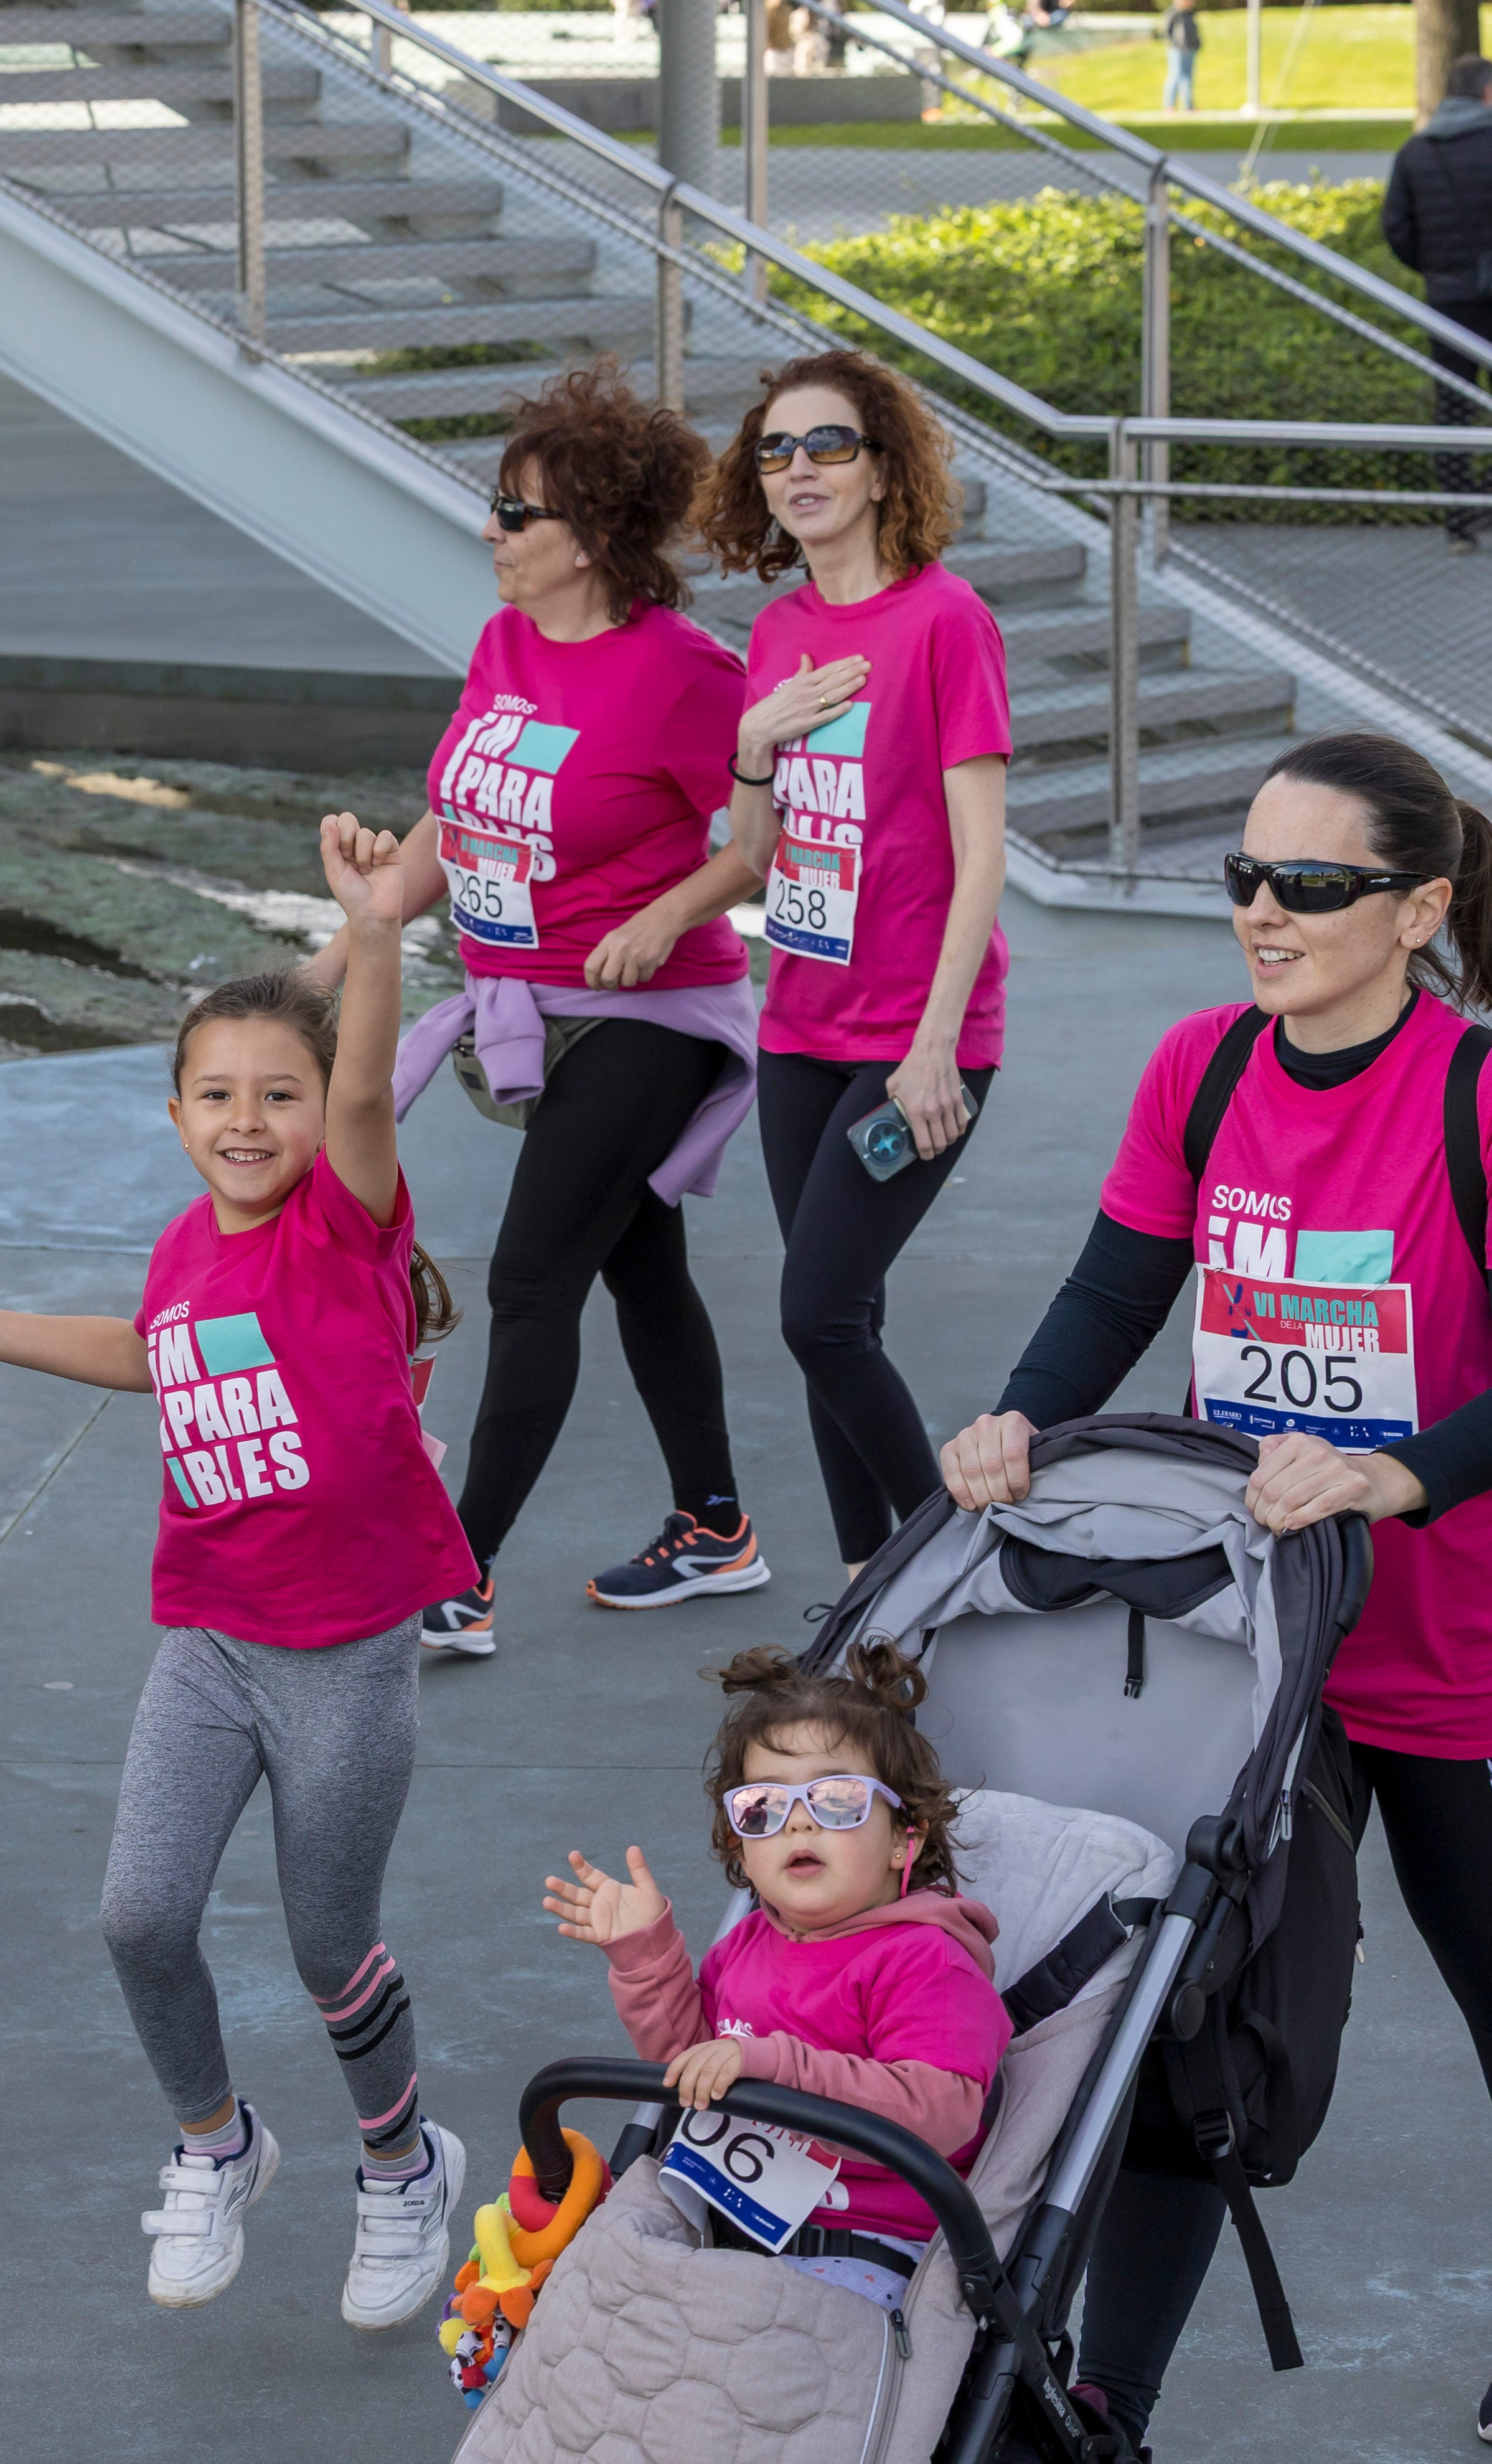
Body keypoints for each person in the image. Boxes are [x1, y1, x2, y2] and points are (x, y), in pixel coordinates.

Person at [941, 731, 1492, 2464]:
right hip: (1260, 1649)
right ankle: (1107, 2405)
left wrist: (1387, 1472)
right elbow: (1114, 1293)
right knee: (1201, 2002)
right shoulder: (1200, 1071)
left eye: (1311, 888)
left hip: (1473, 1647)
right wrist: (1020, 1419)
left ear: (1417, 911)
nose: (1264, 914)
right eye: (1244, 879)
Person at [0, 846, 479, 2332]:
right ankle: (218, 2140)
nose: (248, 1119)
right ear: (174, 1115)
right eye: (217, 1094)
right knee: (141, 1916)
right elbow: (152, 1357)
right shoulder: (183, 1250)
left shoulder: (345, 1228)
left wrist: (375, 927)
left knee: (329, 1942)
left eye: (279, 1094)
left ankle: (402, 2164)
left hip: (342, 1651)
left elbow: (355, 1084)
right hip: (209, 1638)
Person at [303, 363, 766, 1656]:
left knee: (530, 1275)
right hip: (525, 999)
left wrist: (663, 915)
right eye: (497, 507)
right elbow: (453, 817)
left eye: (518, 516)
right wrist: (323, 974)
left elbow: (768, 844)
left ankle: (460, 1569)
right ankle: (717, 1522)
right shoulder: (507, 642)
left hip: (655, 1016)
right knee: (640, 1265)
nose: (492, 534)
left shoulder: (684, 674)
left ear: (598, 539)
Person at [691, 349, 1011, 1581]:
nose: (799, 469)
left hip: (916, 1037)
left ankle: (951, 1561)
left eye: (827, 444)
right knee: (844, 1319)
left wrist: (934, 1044)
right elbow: (757, 862)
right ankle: (861, 1596)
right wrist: (754, 746)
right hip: (800, 1028)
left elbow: (983, 854)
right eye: (776, 449)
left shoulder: (944, 620)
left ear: (884, 467)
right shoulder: (778, 631)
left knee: (816, 1313)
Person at [543, 1641, 1008, 2283]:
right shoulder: (749, 1943)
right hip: (728, 2225)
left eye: (838, 1800)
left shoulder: (925, 1960)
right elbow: (694, 2064)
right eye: (764, 1807)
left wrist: (773, 2063)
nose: (798, 1824)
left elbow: (942, 2110)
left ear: (908, 1838)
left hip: (871, 2246)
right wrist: (647, 1956)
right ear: (741, 1842)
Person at [1379, 55, 1492, 552]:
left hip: (1446, 300)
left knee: (1453, 409)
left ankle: (1459, 525)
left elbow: (1396, 226)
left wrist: (1433, 268)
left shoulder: (1415, 154)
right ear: (1490, 93)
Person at [1161, 0, 1202, 115]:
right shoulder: (1173, 13)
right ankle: (1169, 105)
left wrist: (1197, 44)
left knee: (1188, 78)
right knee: (1175, 75)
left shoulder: (1189, 14)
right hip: (1177, 50)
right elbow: (1167, 32)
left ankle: (1188, 106)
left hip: (1190, 49)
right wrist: (1177, 45)